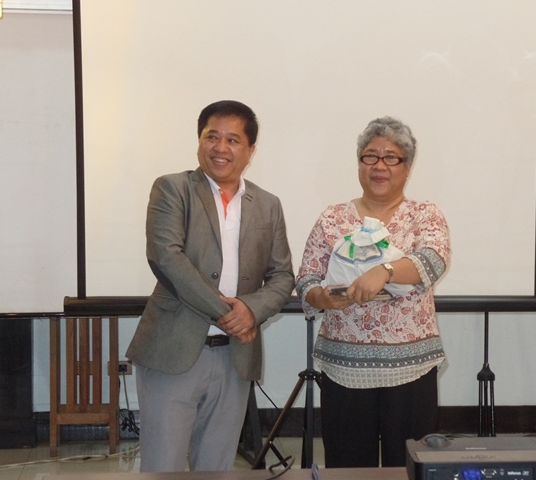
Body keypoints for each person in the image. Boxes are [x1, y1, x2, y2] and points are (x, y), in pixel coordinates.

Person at [126, 100, 295, 472]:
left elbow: (283, 276)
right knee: (163, 467)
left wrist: (251, 310)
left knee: (217, 468)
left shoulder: (268, 204)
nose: (220, 148)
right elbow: (166, 257)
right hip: (173, 352)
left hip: (235, 358)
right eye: (211, 137)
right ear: (199, 141)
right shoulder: (173, 188)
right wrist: (230, 314)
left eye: (233, 140)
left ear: (250, 150)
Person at [296, 116, 451, 468]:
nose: (379, 166)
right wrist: (324, 298)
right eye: (370, 156)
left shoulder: (424, 215)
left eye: (391, 157)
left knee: (410, 467)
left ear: (407, 167)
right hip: (344, 369)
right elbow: (306, 280)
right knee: (348, 468)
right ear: (359, 164)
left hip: (410, 369)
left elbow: (433, 260)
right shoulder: (333, 218)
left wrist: (385, 271)